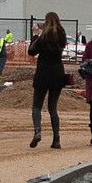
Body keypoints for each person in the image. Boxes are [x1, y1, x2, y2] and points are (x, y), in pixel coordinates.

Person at [28, 12, 67, 149]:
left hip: (43, 73)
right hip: (57, 73)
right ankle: (56, 139)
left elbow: (31, 52)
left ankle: (37, 131)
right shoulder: (61, 34)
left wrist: (35, 35)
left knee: (36, 106)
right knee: (53, 108)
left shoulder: (43, 36)